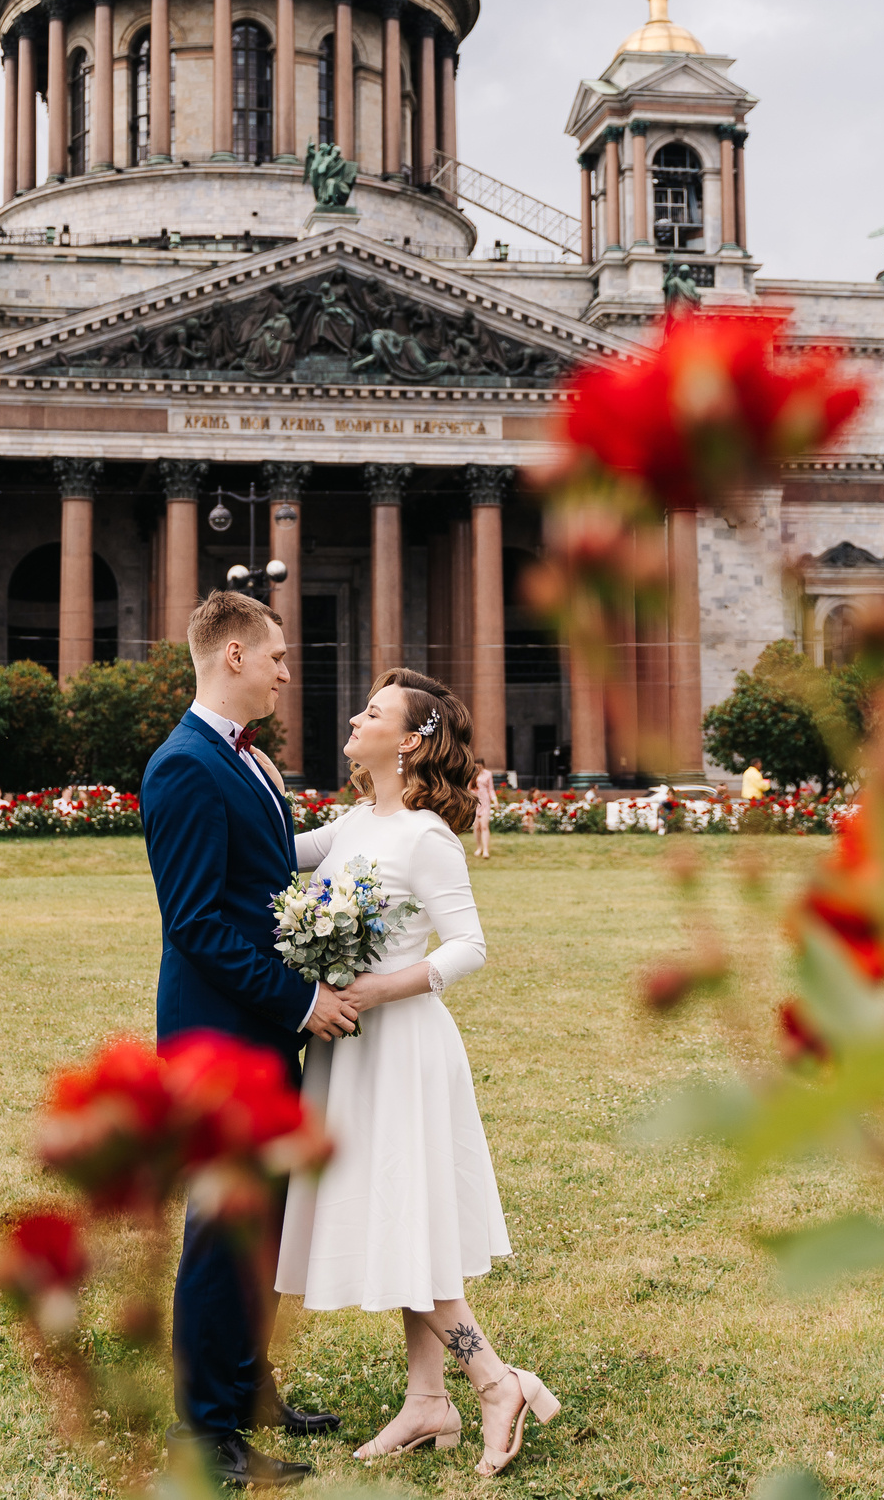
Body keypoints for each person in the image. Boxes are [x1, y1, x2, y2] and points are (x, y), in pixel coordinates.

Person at [281, 668, 560, 1478]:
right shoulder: (353, 821)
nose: (353, 718)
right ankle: (427, 1400)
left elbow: (469, 946)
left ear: (406, 740)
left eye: (371, 711)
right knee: (404, 1220)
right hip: (352, 1048)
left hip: (401, 1046)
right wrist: (246, 775)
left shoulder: (426, 836)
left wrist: (379, 987)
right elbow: (275, 851)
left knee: (403, 1215)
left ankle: (495, 1381)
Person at [141, 590, 355, 1489]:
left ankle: (249, 1389)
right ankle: (204, 1431)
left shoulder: (250, 760)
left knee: (262, 1224)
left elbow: (265, 872)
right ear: (232, 654)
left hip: (255, 1035)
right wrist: (303, 1001)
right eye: (275, 655)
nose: (285, 671)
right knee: (223, 1231)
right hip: (218, 1040)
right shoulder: (184, 766)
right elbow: (195, 923)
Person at [471, 756, 496, 859]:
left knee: (484, 826)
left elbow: (491, 789)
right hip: (475, 802)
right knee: (476, 826)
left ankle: (486, 850)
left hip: (484, 801)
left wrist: (495, 800)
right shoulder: (471, 774)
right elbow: (468, 788)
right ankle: (479, 847)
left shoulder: (488, 774)